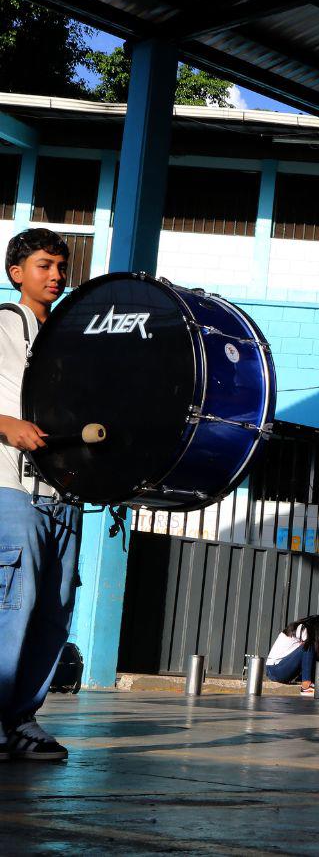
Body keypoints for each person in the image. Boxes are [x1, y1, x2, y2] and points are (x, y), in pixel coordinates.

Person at [0, 229, 80, 761]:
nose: (55, 275)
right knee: (14, 603)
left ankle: (20, 720)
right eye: (44, 265)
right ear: (16, 273)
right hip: (11, 486)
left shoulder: (75, 334)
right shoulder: (2, 323)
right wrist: (4, 421)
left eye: (60, 266)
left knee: (54, 606)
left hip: (66, 492)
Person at [266, 615, 319, 694]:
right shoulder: (302, 627)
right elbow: (317, 650)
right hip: (275, 670)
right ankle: (306, 686)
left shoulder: (300, 629)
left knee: (311, 648)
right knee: (309, 645)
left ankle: (308, 681)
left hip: (278, 670)